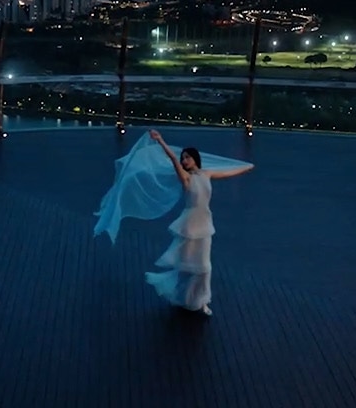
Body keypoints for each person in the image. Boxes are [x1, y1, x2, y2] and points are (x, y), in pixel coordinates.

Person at [93, 130, 253, 316]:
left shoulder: (206, 174)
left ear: (195, 159)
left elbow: (227, 173)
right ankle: (182, 296)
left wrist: (246, 167)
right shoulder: (186, 178)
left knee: (204, 267)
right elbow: (172, 158)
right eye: (183, 158)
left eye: (187, 157)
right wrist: (161, 141)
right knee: (186, 266)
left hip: (205, 223)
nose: (184, 160)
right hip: (190, 224)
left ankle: (200, 301)